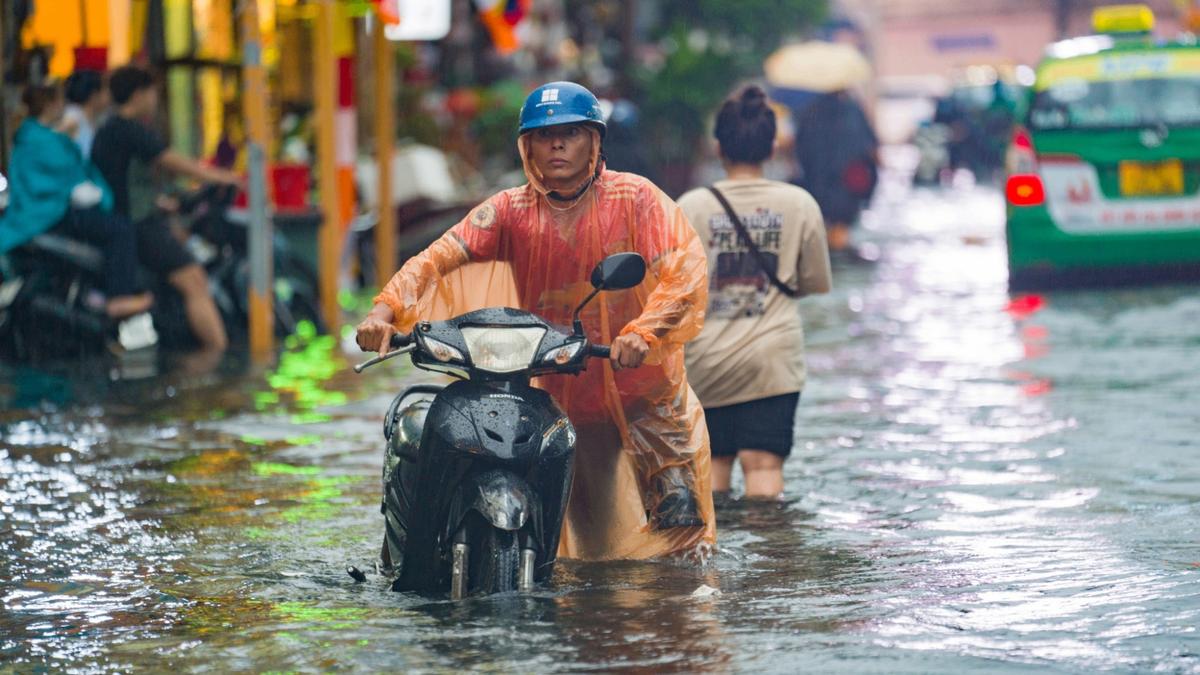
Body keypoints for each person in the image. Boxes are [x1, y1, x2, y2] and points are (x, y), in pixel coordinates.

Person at [356, 81, 716, 561]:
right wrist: (382, 313)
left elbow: (684, 271)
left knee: (683, 540)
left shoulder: (638, 199)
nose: (557, 145)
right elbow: (436, 258)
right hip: (569, 394)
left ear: (595, 140)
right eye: (544, 137)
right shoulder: (510, 210)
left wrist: (643, 332)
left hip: (646, 391)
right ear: (528, 147)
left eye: (570, 133)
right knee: (592, 552)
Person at [679, 85, 832, 500]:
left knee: (711, 472)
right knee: (764, 468)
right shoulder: (799, 204)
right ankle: (772, 562)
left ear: (718, 146)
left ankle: (715, 564)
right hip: (773, 362)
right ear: (772, 147)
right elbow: (814, 281)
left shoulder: (690, 207)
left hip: (706, 361)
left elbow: (673, 288)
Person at [92, 65, 239, 351]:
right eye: (152, 92)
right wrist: (219, 176)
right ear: (138, 94)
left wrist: (162, 202)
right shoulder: (130, 130)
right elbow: (171, 160)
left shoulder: (108, 130)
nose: (155, 99)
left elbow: (122, 180)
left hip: (131, 218)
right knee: (193, 279)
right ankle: (213, 354)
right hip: (139, 223)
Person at [0, 82, 153, 319]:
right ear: (51, 104)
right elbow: (64, 176)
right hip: (50, 212)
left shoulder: (32, 135)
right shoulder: (44, 139)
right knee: (120, 229)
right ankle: (119, 297)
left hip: (40, 210)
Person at [792, 89, 878, 255]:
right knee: (840, 234)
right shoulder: (853, 110)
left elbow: (799, 149)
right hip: (848, 184)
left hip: (817, 182)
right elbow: (870, 147)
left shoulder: (809, 111)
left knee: (824, 233)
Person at [60, 69, 108, 159]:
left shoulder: (92, 117)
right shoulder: (72, 117)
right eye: (104, 90)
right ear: (94, 95)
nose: (108, 95)